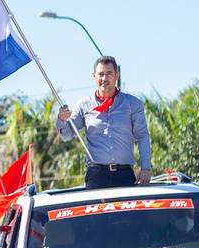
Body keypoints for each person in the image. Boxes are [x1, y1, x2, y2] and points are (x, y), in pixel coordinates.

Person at [55, 56, 152, 190]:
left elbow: (142, 136)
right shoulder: (84, 105)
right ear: (94, 76)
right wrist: (61, 119)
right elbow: (66, 135)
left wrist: (145, 168)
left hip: (125, 175)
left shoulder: (132, 104)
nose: (104, 79)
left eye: (109, 74)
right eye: (101, 74)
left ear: (117, 76)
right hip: (96, 176)